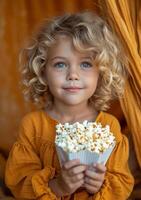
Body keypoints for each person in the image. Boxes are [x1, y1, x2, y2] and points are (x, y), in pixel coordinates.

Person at [5, 11, 134, 200]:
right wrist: (58, 186)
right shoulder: (32, 127)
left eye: (86, 64)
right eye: (60, 64)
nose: (73, 75)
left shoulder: (109, 128)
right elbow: (19, 183)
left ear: (102, 72)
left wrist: (97, 187)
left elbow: (121, 185)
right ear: (42, 70)